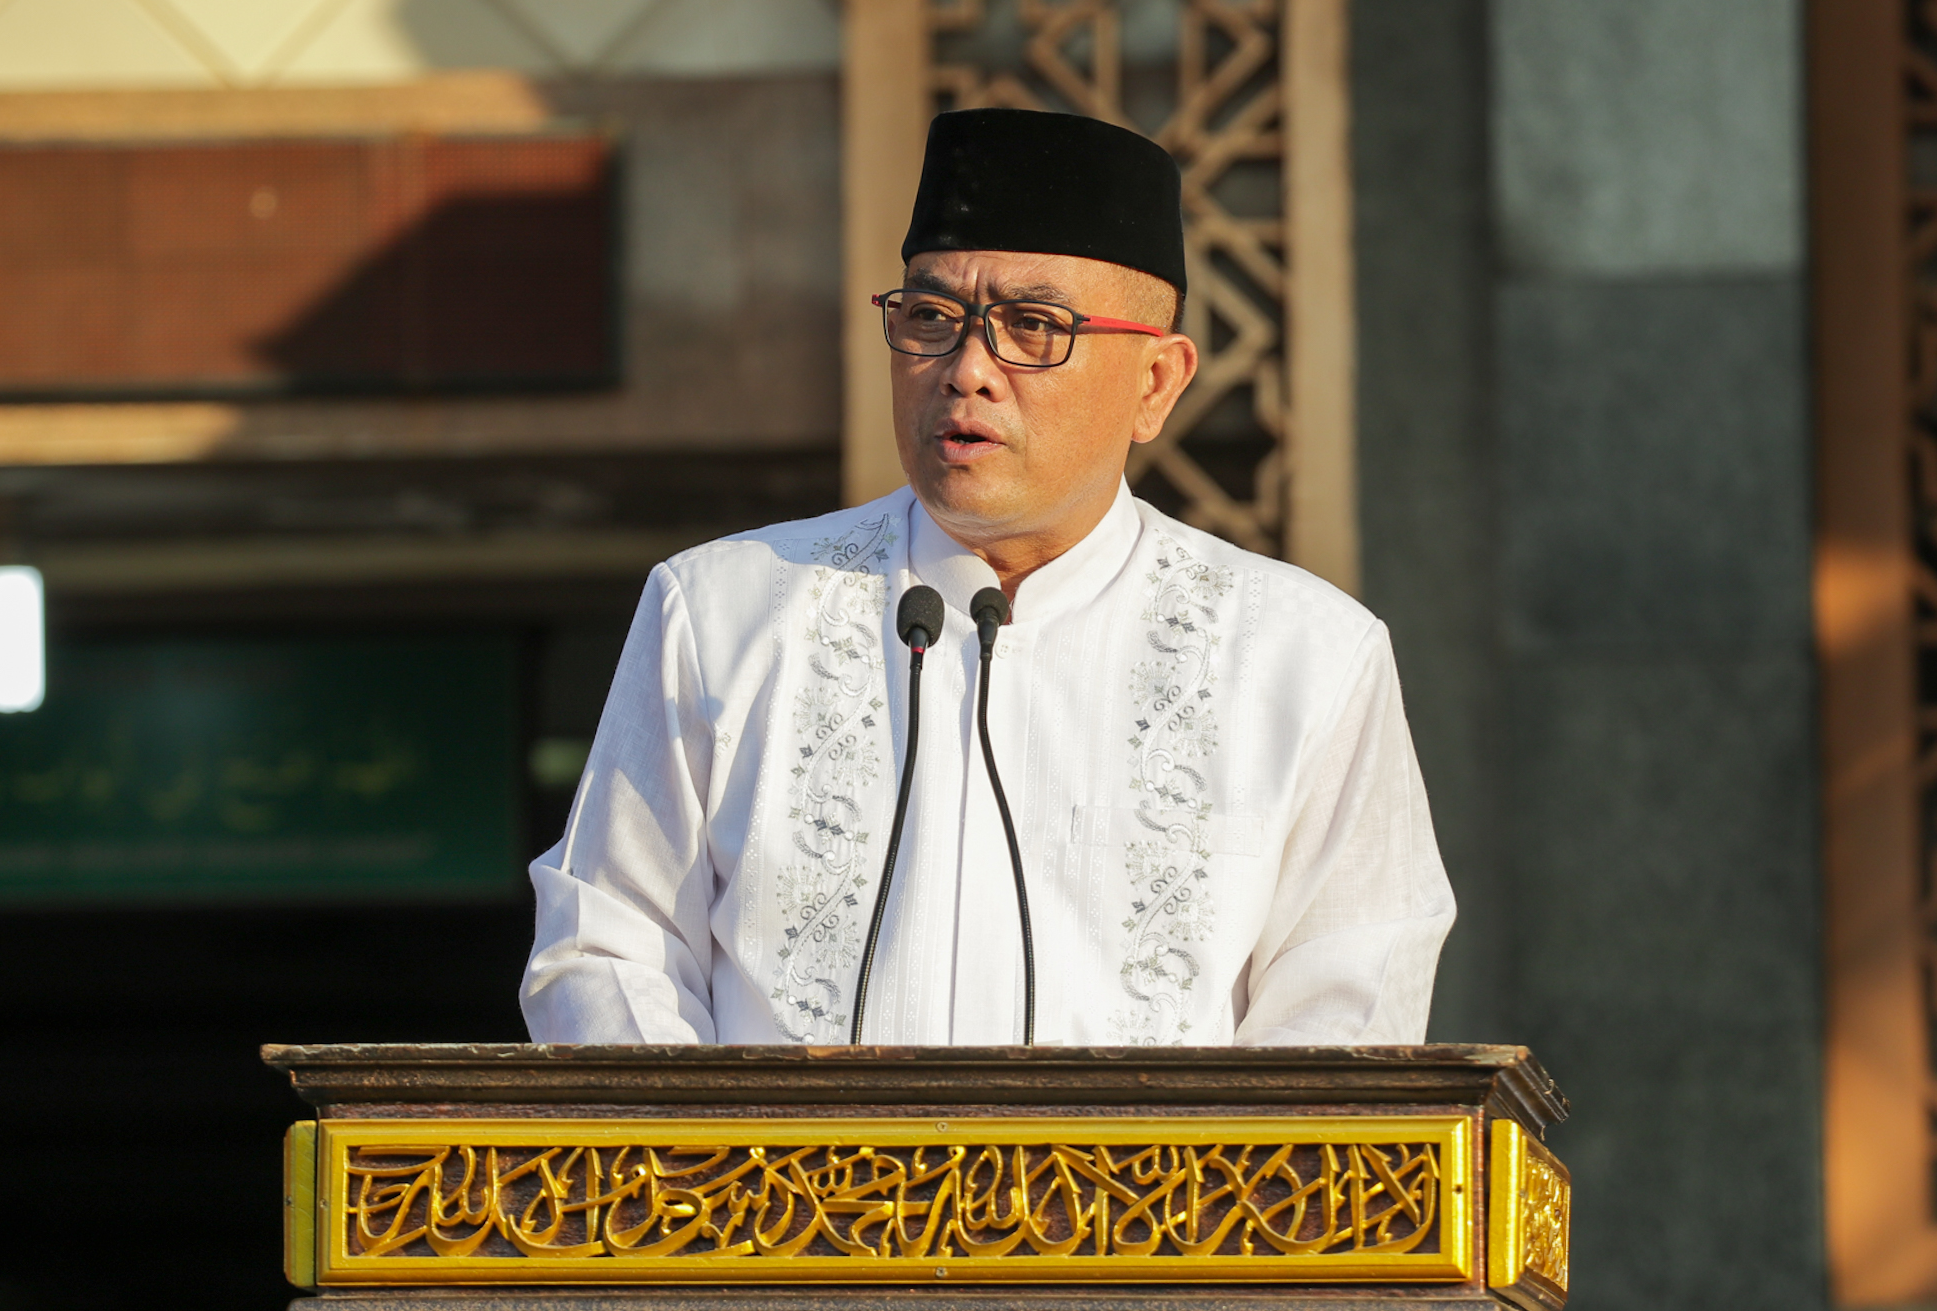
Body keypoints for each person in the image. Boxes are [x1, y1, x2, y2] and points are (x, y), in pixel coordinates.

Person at [520, 108, 1455, 1047]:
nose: (967, 370)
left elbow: (1349, 1010)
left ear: (1156, 384)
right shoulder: (723, 610)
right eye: (931, 318)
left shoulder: (1304, 656)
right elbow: (605, 949)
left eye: (1034, 327)